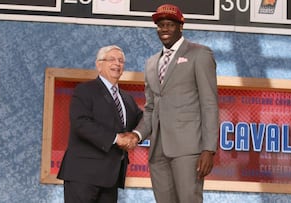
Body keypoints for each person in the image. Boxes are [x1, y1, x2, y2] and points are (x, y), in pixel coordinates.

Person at [133, 4, 219, 203]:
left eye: (170, 24)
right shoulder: (151, 62)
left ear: (181, 26)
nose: (164, 29)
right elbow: (151, 108)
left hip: (188, 149)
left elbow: (209, 104)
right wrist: (137, 135)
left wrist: (209, 149)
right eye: (160, 25)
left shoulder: (200, 54)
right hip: (158, 150)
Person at [57, 45, 142, 203]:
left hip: (111, 178)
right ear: (99, 64)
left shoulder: (128, 99)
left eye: (121, 60)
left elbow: (143, 120)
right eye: (111, 59)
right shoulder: (85, 90)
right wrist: (117, 139)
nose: (117, 63)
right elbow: (81, 123)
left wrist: (136, 135)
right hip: (83, 175)